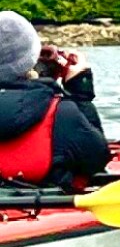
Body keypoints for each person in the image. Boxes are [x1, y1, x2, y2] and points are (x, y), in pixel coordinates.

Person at [0, 11, 109, 188]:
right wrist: (81, 94)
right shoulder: (63, 113)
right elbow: (97, 161)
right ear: (32, 58)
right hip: (40, 204)